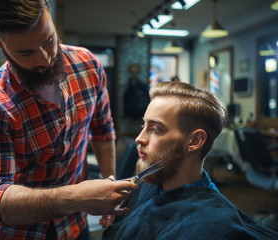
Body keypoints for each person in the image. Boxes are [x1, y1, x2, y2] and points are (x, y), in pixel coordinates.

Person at [0, 1, 137, 239]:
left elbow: (102, 129)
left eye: (48, 39)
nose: (46, 58)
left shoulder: (88, 66)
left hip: (75, 227)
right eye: (26, 52)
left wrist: (109, 183)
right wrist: (76, 197)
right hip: (21, 233)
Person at [102, 81, 278, 240]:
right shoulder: (150, 181)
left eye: (155, 129)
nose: (139, 138)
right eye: (144, 125)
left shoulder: (209, 227)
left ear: (194, 141)